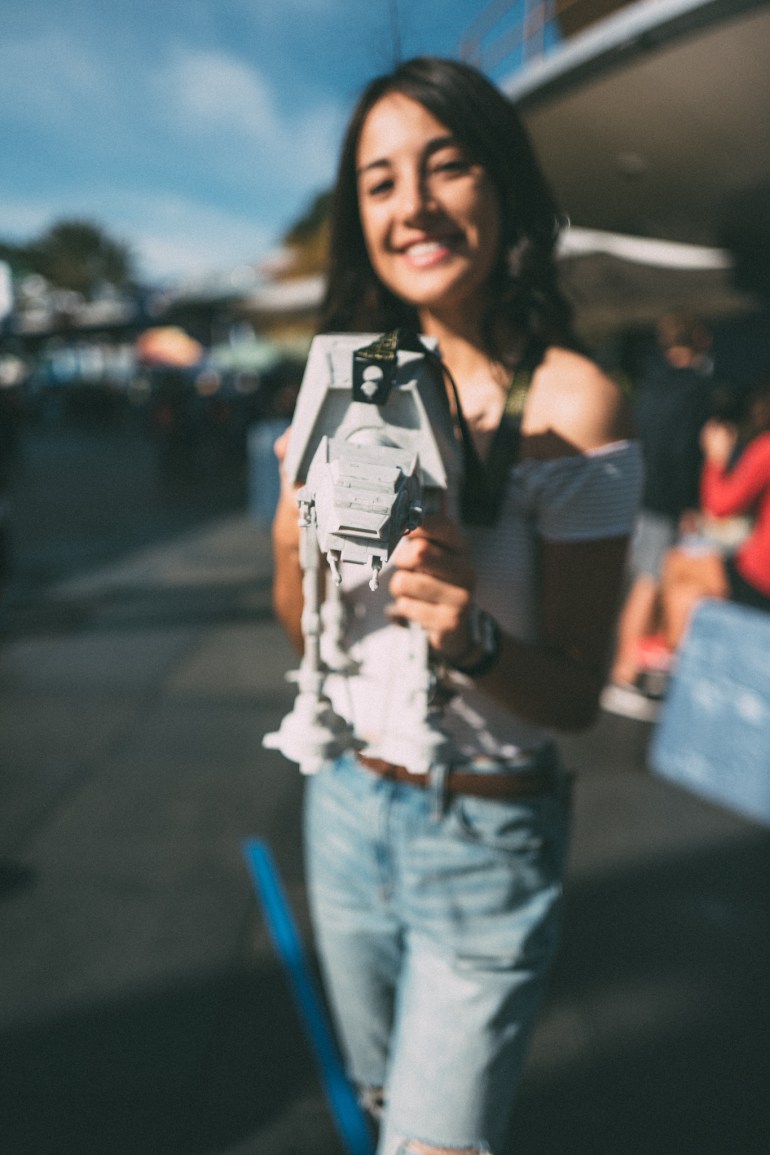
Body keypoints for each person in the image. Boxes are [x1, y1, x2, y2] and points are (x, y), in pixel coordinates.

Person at [271, 57, 642, 1155]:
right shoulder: (351, 377)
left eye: (447, 165)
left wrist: (468, 633)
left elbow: (576, 698)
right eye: (379, 182)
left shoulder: (572, 400)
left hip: (485, 831)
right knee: (383, 1105)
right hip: (343, 809)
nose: (412, 205)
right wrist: (293, 539)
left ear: (505, 190)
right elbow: (303, 631)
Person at [601, 312, 715, 719]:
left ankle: (632, 669)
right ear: (699, 337)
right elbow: (683, 449)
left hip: (640, 492)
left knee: (644, 580)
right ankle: (624, 674)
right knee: (648, 582)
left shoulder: (654, 381)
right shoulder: (696, 388)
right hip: (665, 499)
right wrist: (687, 503)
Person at [659, 375, 770, 650]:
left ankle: (676, 668)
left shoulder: (766, 449)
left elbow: (720, 506)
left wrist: (715, 458)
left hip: (759, 576)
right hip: (755, 568)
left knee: (677, 570)